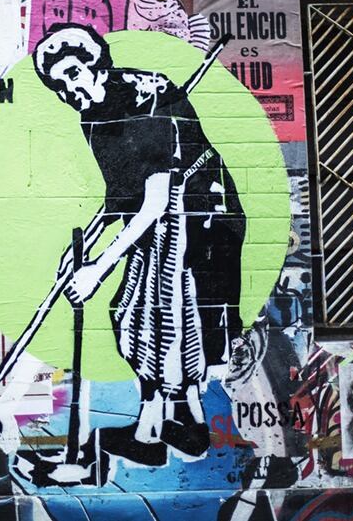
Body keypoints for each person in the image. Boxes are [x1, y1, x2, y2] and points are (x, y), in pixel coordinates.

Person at [33, 24, 245, 464]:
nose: (68, 91)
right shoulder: (92, 115)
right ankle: (150, 430)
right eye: (58, 86)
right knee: (131, 314)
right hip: (162, 213)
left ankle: (185, 425)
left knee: (172, 314)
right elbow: (122, 195)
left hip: (201, 212)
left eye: (72, 75)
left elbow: (154, 199)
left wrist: (97, 270)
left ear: (97, 64)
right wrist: (82, 249)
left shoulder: (146, 97)